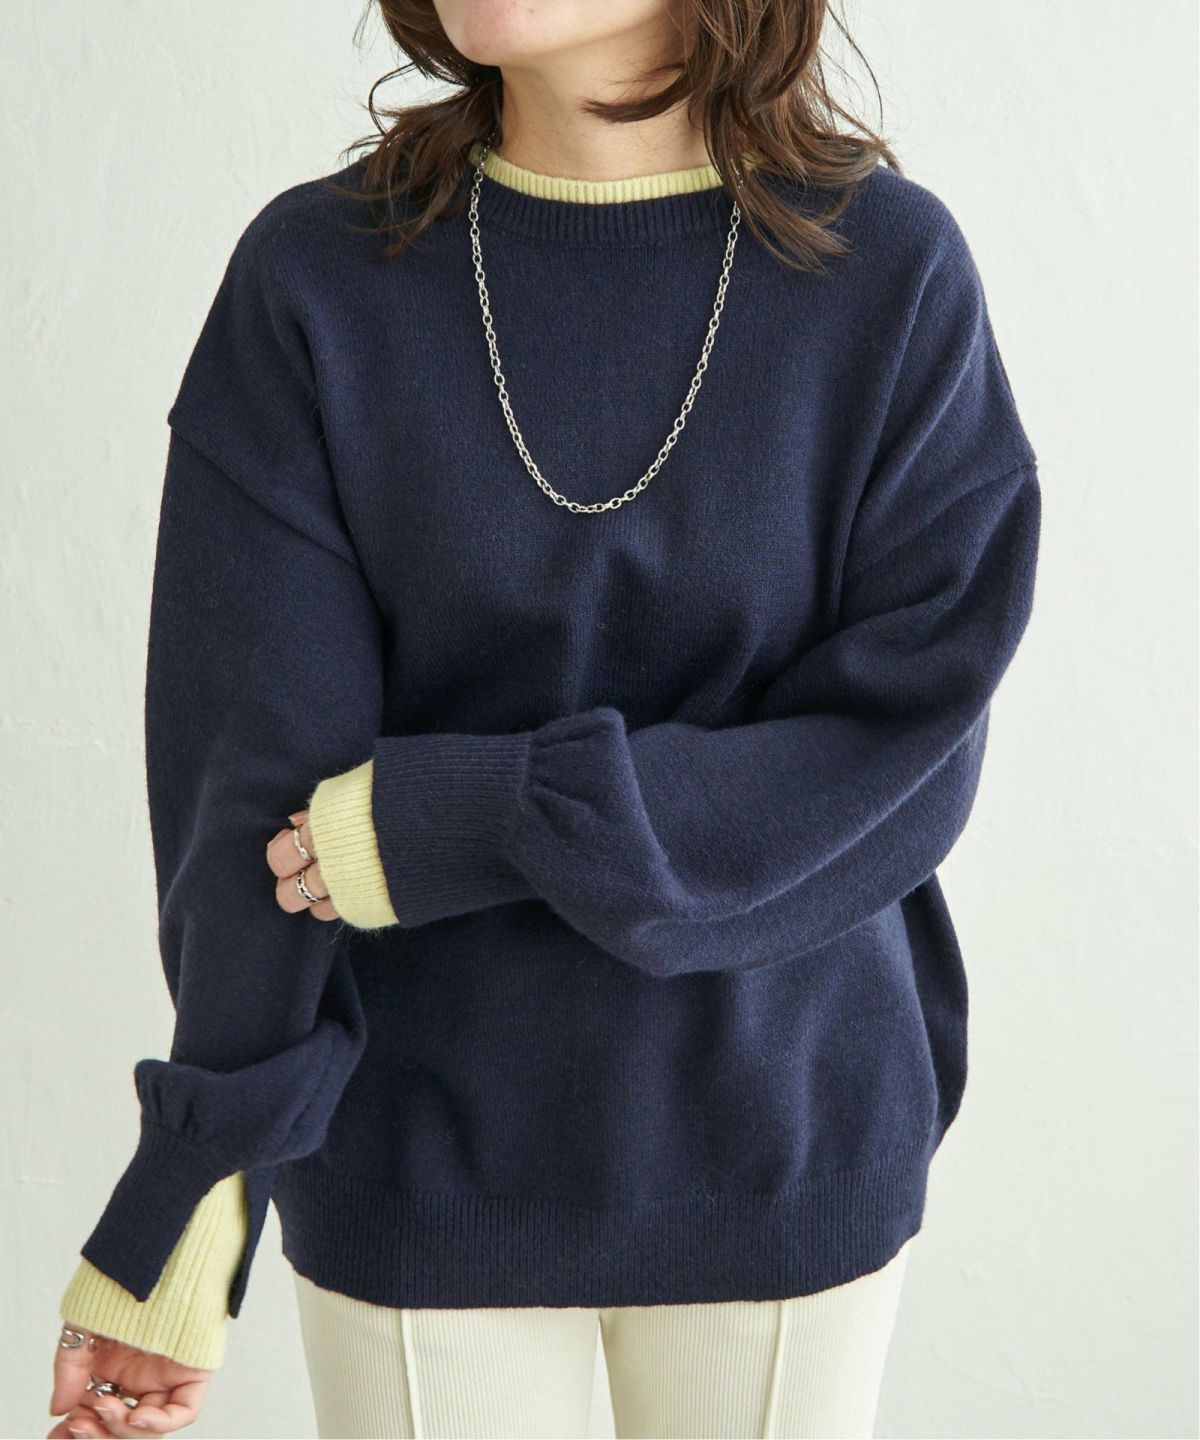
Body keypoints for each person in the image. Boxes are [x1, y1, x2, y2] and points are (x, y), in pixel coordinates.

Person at [46, 1, 1042, 1436]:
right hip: (414, 1161)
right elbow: (250, 792)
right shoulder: (317, 278)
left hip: (782, 1143)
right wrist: (190, 1209)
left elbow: (901, 754)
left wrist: (477, 820)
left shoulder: (887, 270)